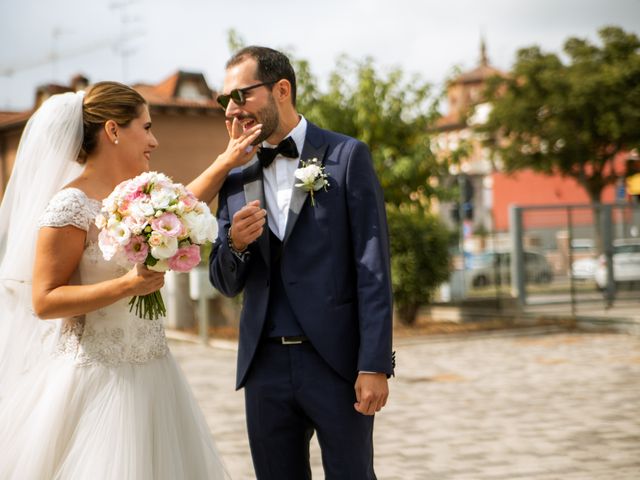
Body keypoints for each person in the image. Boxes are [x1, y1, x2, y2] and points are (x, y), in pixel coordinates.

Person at [0, 81, 261, 479]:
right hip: (99, 379)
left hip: (156, 373)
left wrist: (226, 161)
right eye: (147, 127)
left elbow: (183, 207)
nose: (154, 140)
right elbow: (45, 300)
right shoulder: (69, 204)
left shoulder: (136, 194)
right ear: (113, 131)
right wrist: (128, 285)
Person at [209, 46, 394, 479]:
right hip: (264, 370)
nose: (232, 111)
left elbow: (373, 268)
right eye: (225, 101)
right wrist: (235, 243)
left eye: (241, 96)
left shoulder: (346, 158)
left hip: (336, 363)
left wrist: (374, 364)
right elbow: (224, 281)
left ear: (282, 89)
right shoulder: (234, 175)